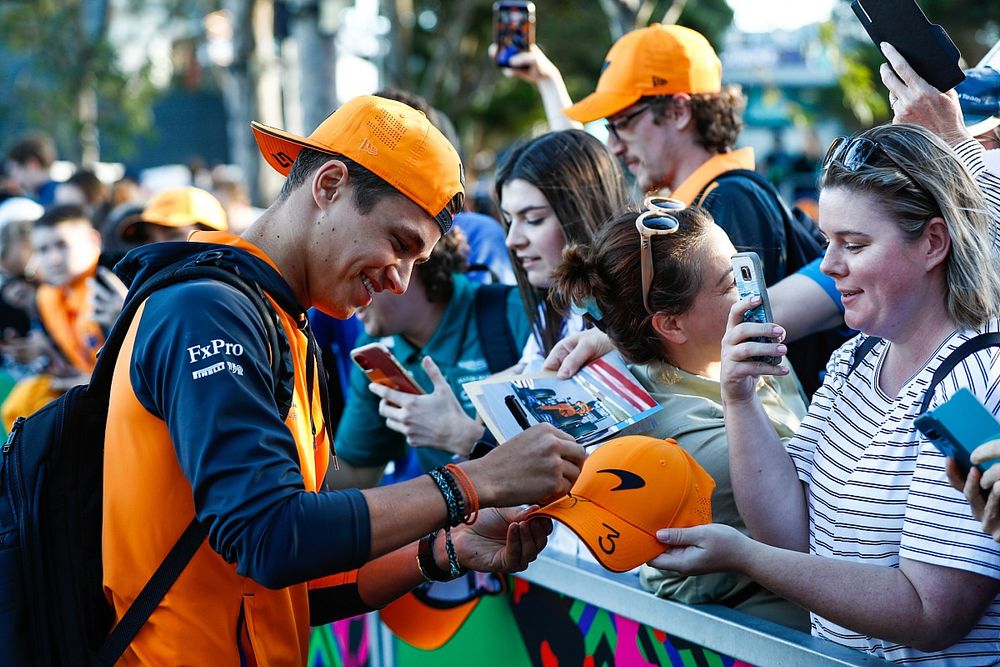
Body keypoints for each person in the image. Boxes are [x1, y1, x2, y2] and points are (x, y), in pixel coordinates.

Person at [101, 95, 585, 663]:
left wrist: (446, 549)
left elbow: (297, 580)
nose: (402, 281)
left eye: (418, 261)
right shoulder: (208, 313)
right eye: (400, 244)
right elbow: (270, 538)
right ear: (329, 185)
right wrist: (472, 481)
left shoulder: (278, 320)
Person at [648, 123, 1000, 663]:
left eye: (854, 245)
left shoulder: (976, 380)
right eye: (828, 242)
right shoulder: (858, 357)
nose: (831, 265)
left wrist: (744, 558)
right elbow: (791, 531)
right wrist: (739, 398)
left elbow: (930, 614)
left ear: (933, 242)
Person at [551, 204, 808, 629]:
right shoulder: (695, 445)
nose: (756, 296)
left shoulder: (733, 350)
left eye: (743, 269)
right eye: (732, 284)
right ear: (671, 325)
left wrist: (614, 337)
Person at [365, 129, 630, 458]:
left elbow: (579, 469)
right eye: (508, 221)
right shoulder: (553, 314)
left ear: (584, 211)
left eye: (533, 220)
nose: (513, 239)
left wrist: (465, 438)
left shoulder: (645, 317)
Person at [330, 227, 529, 489]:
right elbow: (356, 475)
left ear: (415, 260)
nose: (344, 289)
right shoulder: (377, 351)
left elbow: (571, 453)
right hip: (463, 524)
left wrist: (462, 437)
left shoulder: (515, 314)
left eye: (363, 274)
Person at [4, 132, 59, 206]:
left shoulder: (57, 194)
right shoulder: (51, 192)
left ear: (32, 163)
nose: (14, 179)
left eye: (15, 171)